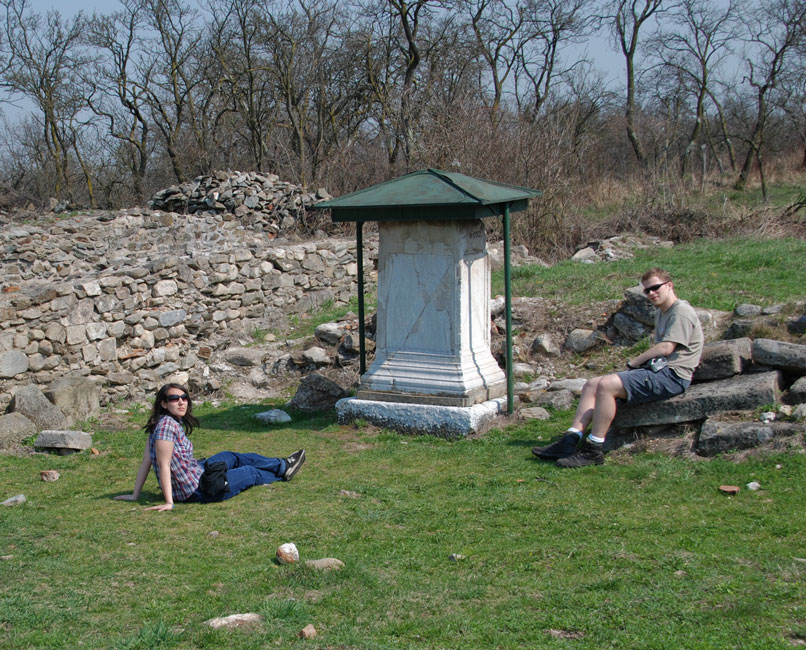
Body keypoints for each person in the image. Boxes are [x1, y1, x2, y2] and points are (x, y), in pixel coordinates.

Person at [532, 268, 703, 468]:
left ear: (669, 285)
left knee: (607, 385)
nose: (651, 293)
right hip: (659, 371)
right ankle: (570, 440)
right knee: (591, 384)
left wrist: (634, 362)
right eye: (647, 290)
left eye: (655, 287)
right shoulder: (661, 313)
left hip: (673, 375)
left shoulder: (681, 311)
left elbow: (666, 348)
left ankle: (593, 449)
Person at [114, 383, 306, 510]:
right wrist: (169, 502)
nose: (181, 402)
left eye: (184, 397)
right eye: (174, 398)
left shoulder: (162, 422)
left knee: (230, 456)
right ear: (163, 403)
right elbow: (162, 465)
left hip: (197, 472)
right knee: (249, 472)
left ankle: (283, 465)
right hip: (197, 489)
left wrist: (135, 495)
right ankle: (282, 472)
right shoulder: (166, 427)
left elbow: (146, 461)